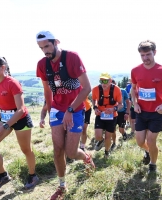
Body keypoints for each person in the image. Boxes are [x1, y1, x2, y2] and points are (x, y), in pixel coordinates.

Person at [36, 30, 95, 199]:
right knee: (57, 149)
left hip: (75, 108)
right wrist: (47, 112)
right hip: (56, 109)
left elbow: (86, 88)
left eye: (47, 46)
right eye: (41, 48)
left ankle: (86, 158)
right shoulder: (42, 64)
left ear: (56, 42)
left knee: (70, 152)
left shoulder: (72, 58)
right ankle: (62, 185)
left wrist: (70, 110)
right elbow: (47, 90)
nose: (45, 51)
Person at [0, 56, 39, 191]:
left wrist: (5, 125)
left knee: (26, 150)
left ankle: (33, 176)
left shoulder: (12, 83)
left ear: (2, 67)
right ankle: (3, 175)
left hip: (20, 119)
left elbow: (21, 109)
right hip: (5, 119)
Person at [130, 40, 162, 175]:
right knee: (140, 141)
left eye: (148, 54)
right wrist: (135, 103)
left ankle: (153, 164)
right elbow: (133, 90)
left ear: (154, 53)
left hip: (157, 112)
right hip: (141, 111)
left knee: (151, 140)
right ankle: (149, 151)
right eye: (142, 55)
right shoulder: (135, 70)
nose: (145, 58)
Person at [92, 73, 122, 158]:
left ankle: (106, 152)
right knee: (97, 136)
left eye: (105, 81)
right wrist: (95, 108)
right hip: (100, 114)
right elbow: (93, 99)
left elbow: (120, 104)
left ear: (110, 81)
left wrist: (113, 109)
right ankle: (101, 141)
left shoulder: (116, 89)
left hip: (112, 116)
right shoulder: (95, 89)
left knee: (108, 137)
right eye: (101, 81)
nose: (103, 83)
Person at [111, 80, 131, 151]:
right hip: (112, 114)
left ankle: (124, 134)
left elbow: (128, 103)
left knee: (121, 129)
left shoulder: (122, 91)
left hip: (122, 113)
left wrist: (127, 113)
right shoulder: (107, 92)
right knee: (112, 130)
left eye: (113, 85)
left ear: (116, 84)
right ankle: (114, 143)